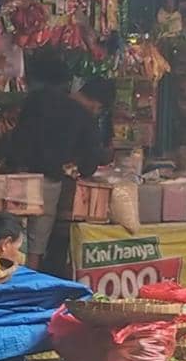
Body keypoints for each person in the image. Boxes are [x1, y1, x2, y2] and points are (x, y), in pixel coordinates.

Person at [7, 77, 114, 270]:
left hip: (18, 175)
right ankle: (28, 280)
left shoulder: (40, 97)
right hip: (49, 179)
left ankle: (4, 275)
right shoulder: (84, 117)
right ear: (96, 104)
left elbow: (18, 132)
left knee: (10, 232)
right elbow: (90, 160)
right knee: (36, 242)